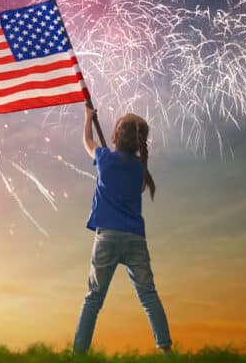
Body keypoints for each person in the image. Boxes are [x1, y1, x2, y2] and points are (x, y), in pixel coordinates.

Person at [72, 105, 173, 355]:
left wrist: (88, 118)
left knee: (94, 299)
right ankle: (166, 351)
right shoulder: (140, 169)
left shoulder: (104, 158)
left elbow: (87, 140)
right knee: (149, 295)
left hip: (107, 237)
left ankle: (78, 354)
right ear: (139, 143)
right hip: (134, 239)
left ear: (115, 137)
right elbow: (137, 188)